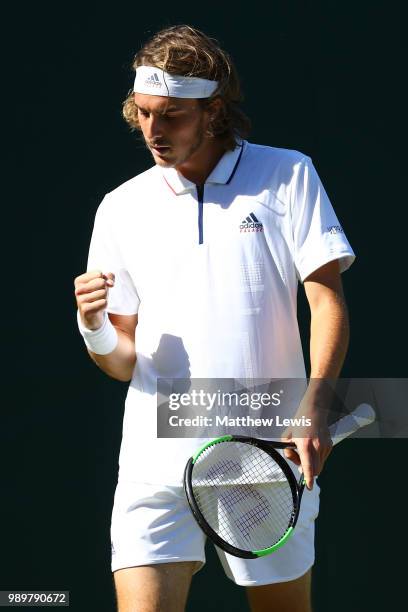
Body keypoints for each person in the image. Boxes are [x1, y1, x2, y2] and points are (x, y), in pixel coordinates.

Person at [74, 24, 355, 612]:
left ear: (213, 111)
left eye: (172, 114)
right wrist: (94, 327)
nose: (153, 130)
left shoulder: (289, 175)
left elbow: (326, 299)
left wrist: (315, 406)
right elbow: (122, 362)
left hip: (264, 455)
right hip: (154, 464)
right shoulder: (120, 207)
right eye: (144, 113)